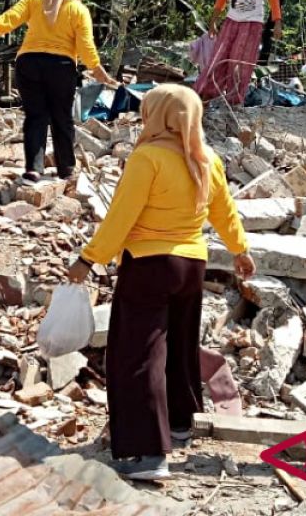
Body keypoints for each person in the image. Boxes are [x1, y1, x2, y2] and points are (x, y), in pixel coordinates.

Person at [66, 85, 254, 481]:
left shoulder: (147, 157)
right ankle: (181, 423)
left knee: (139, 354)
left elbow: (122, 217)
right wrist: (240, 250)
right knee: (180, 345)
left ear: (160, 116)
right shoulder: (206, 159)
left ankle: (149, 453)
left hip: (150, 264)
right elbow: (225, 212)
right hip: (192, 266)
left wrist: (89, 257)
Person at [0, 0, 118, 180]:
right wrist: (99, 72)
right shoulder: (79, 9)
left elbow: (10, 17)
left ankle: (34, 169)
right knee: (61, 117)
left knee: (36, 116)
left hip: (29, 63)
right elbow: (86, 46)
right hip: (61, 67)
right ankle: (65, 169)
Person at [194, 0, 283, 105]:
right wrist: (213, 20)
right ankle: (205, 95)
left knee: (241, 62)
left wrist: (277, 22)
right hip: (231, 20)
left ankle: (234, 101)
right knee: (219, 58)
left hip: (253, 22)